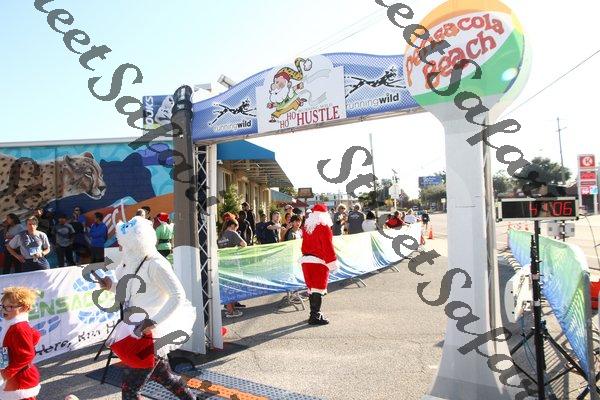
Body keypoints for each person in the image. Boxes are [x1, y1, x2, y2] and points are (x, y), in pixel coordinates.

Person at [98, 216, 196, 400]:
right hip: (136, 330)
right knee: (166, 378)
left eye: (124, 244)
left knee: (130, 390)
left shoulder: (156, 264)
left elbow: (178, 295)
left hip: (150, 335)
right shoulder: (131, 261)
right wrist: (110, 285)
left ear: (136, 243)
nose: (121, 248)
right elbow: (128, 290)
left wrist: (153, 322)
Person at [0, 286, 42, 400]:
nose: (4, 310)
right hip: (13, 377)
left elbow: (26, 355)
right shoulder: (12, 324)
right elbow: (35, 335)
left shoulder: (19, 328)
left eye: (9, 307)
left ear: (24, 308)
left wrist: (5, 373)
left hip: (21, 380)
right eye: (3, 306)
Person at [300, 204, 338, 325]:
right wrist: (332, 262)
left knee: (312, 288)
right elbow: (327, 246)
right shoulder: (324, 227)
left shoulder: (307, 227)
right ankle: (315, 316)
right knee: (318, 288)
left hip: (306, 261)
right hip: (318, 261)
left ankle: (313, 314)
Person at [217, 219, 247, 318]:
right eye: (236, 227)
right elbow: (244, 244)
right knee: (233, 286)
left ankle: (229, 308)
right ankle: (231, 311)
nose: (236, 229)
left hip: (223, 264)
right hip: (233, 264)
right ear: (232, 225)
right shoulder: (233, 234)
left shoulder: (220, 235)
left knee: (227, 286)